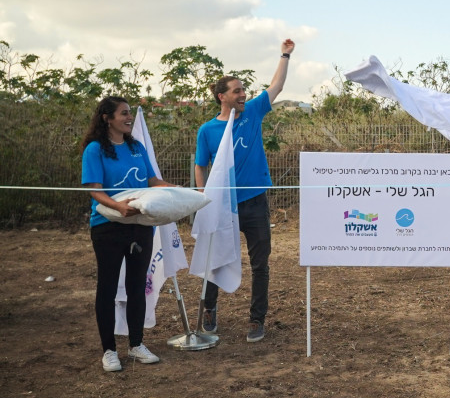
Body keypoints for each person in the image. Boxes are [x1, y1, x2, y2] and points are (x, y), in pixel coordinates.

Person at [194, 38, 295, 342]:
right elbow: (201, 165)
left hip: (254, 202)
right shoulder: (207, 130)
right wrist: (203, 197)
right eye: (237, 90)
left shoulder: (251, 113)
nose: (243, 94)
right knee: (216, 258)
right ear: (221, 97)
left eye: (243, 90)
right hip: (221, 205)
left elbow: (276, 87)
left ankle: (256, 319)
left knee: (259, 263)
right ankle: (209, 309)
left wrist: (285, 55)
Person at [82, 96, 177, 372]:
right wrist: (117, 206)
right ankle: (109, 351)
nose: (128, 118)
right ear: (107, 118)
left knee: (137, 285)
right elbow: (95, 190)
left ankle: (136, 345)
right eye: (123, 114)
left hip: (140, 225)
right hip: (107, 226)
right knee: (108, 288)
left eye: (129, 114)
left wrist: (180, 191)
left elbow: (152, 181)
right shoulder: (95, 149)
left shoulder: (136, 147)